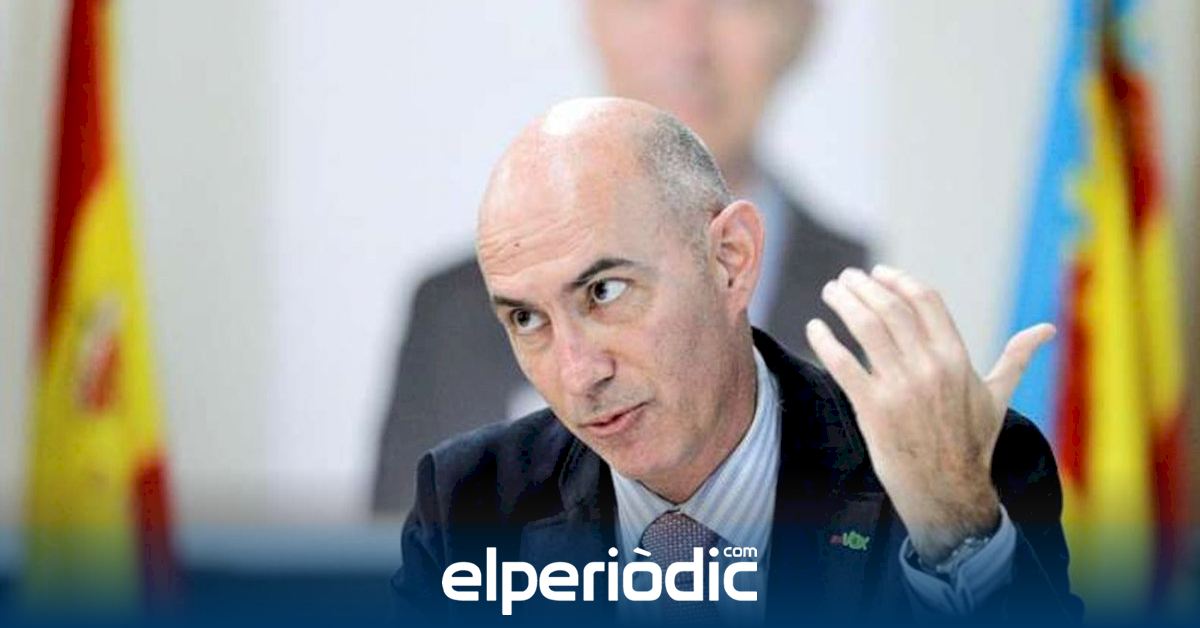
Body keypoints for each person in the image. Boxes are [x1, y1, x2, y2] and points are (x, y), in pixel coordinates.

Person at [391, 98, 1082, 624]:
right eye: (526, 319)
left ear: (731, 259)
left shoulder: (958, 472)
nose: (578, 374)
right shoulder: (470, 505)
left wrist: (956, 535)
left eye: (605, 292)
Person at [374, 0, 867, 515]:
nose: (685, 44)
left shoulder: (880, 302)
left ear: (802, 22)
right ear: (593, 19)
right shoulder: (452, 315)